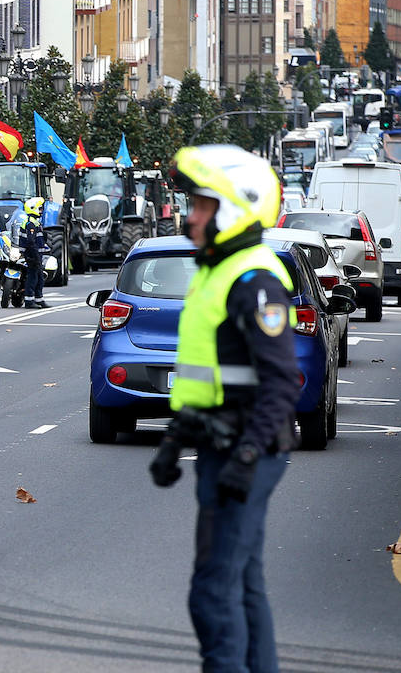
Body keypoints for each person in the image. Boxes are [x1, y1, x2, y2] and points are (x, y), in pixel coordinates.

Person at [149, 144, 299, 673]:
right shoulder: (217, 271)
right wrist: (173, 440)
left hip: (247, 450)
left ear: (236, 209)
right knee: (244, 585)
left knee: (212, 592)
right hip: (221, 444)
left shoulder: (253, 281)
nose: (189, 216)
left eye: (202, 206)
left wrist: (249, 454)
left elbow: (283, 382)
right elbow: (208, 381)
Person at [10, 197, 47, 308]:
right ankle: (29, 301)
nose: (41, 211)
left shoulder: (35, 222)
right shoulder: (30, 223)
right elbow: (31, 242)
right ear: (33, 209)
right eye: (40, 209)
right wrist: (35, 255)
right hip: (32, 255)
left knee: (39, 277)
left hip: (36, 254)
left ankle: (39, 299)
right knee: (33, 277)